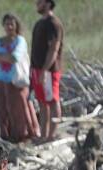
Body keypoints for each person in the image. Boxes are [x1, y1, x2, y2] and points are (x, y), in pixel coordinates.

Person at [0, 14, 40, 144]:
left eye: (12, 24)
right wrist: (5, 57)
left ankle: (26, 134)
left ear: (16, 25)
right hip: (0, 79)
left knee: (20, 106)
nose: (9, 27)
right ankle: (7, 135)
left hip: (16, 80)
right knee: (3, 108)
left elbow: (15, 57)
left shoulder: (20, 40)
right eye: (7, 24)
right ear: (3, 26)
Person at [31, 0, 64, 142]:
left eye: (40, 1)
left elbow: (54, 49)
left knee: (52, 100)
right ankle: (43, 135)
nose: (37, 3)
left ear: (48, 3)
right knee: (42, 102)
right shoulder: (39, 23)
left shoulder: (53, 23)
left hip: (49, 70)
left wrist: (45, 70)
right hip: (37, 68)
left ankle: (52, 135)